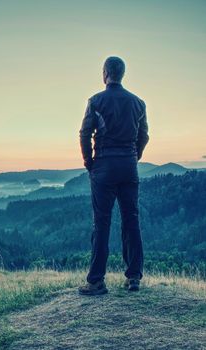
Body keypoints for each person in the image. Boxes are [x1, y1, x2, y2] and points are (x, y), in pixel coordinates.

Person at [78, 56, 149, 296]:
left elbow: (85, 134)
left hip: (104, 167)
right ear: (123, 74)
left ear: (105, 73)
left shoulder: (96, 101)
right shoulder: (138, 103)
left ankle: (96, 281)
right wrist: (133, 156)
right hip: (128, 165)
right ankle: (133, 278)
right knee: (132, 220)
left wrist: (90, 162)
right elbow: (144, 136)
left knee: (102, 223)